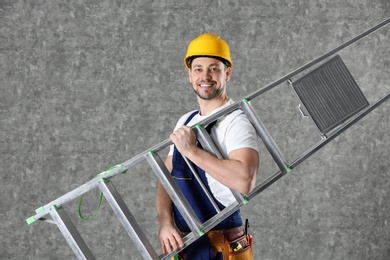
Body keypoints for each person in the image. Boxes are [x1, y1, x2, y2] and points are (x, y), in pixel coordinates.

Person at [156, 33, 260, 259]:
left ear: (227, 73)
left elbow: (245, 181)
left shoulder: (236, 121)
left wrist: (192, 151)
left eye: (214, 68)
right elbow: (166, 178)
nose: (205, 76)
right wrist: (166, 223)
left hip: (222, 244)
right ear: (190, 75)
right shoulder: (186, 121)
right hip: (187, 241)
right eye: (198, 69)